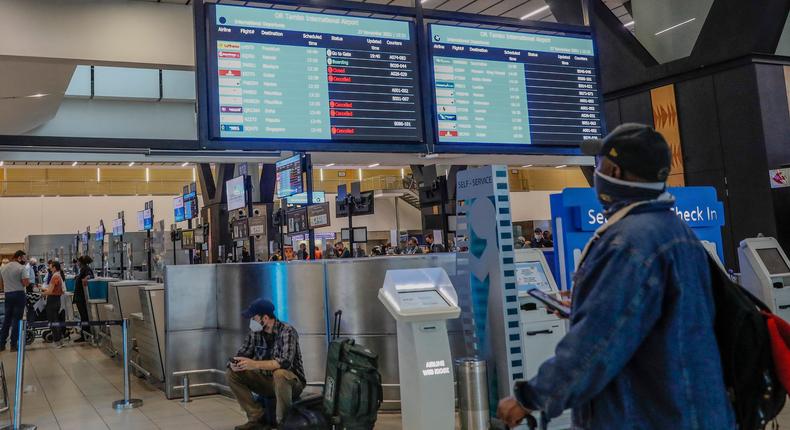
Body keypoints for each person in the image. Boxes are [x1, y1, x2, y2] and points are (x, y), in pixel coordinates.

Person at [496, 123, 734, 429]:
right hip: (686, 408)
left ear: (616, 174)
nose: (597, 173)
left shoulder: (629, 242)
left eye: (601, 164)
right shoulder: (676, 231)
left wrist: (530, 397)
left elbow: (597, 344)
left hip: (648, 414)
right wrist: (584, 301)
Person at [227, 298, 306, 429]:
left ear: (265, 318)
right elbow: (243, 353)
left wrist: (254, 364)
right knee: (231, 373)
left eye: (254, 318)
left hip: (291, 383)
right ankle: (256, 417)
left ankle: (283, 423)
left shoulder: (287, 331)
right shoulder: (255, 333)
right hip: (266, 380)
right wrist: (235, 364)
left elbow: (285, 362)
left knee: (280, 374)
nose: (251, 321)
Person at [0, 251, 31, 351]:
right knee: (17, 320)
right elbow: (26, 283)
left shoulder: (3, 268)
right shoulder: (21, 268)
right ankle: (13, 345)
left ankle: (1, 344)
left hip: (8, 295)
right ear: (19, 257)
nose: (25, 260)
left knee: (7, 320)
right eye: (24, 258)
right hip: (19, 295)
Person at [42, 261, 65, 348]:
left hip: (52, 301)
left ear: (55, 268)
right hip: (57, 300)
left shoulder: (55, 276)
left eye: (51, 267)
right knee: (56, 320)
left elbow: (50, 291)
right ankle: (60, 340)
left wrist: (42, 293)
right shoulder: (59, 275)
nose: (50, 268)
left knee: (53, 321)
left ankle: (57, 341)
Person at [72, 255, 94, 343]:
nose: (77, 263)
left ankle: (84, 335)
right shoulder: (83, 269)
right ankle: (84, 334)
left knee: (84, 316)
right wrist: (78, 277)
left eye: (78, 261)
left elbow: (90, 275)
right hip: (79, 296)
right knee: (83, 316)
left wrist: (86, 278)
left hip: (81, 297)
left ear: (80, 262)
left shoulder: (86, 268)